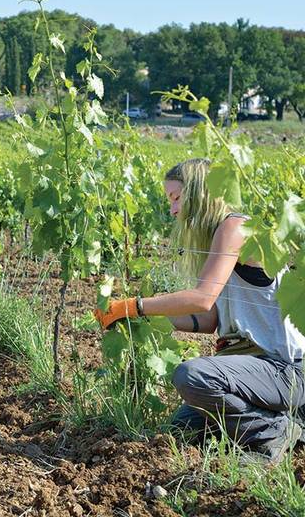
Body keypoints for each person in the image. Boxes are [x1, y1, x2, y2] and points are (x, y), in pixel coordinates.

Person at [94, 158, 305, 463]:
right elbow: (208, 319)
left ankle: (272, 430)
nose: (173, 210)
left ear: (198, 194)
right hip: (258, 370)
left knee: (193, 376)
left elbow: (202, 298)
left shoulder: (235, 226)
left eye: (176, 198)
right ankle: (278, 419)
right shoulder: (220, 237)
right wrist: (142, 319)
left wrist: (135, 306)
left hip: (287, 370)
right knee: (182, 430)